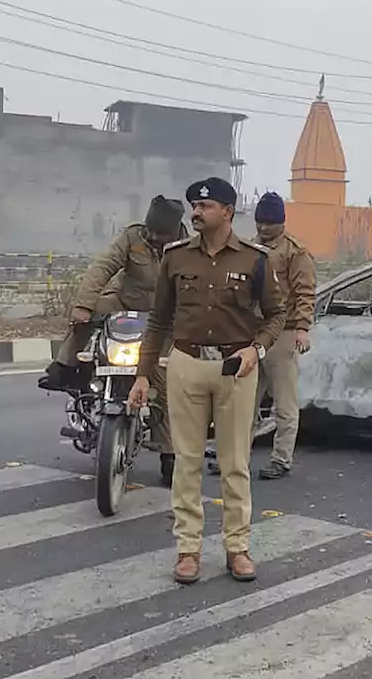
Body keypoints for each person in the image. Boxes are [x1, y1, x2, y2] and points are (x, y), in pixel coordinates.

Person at [128, 176, 285, 585]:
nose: (196, 213)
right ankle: (188, 550)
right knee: (187, 462)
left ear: (228, 212)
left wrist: (257, 349)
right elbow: (159, 319)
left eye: (206, 206)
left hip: (237, 367)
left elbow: (276, 315)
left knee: (235, 464)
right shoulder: (176, 258)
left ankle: (237, 547)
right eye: (194, 206)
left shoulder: (254, 259)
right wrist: (143, 374)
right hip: (186, 364)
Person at [38, 195, 187, 486]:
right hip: (123, 303)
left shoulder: (187, 249)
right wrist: (82, 303)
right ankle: (65, 367)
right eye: (151, 230)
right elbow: (103, 266)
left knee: (165, 384)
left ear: (174, 230)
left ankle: (169, 454)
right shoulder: (132, 237)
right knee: (87, 315)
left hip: (165, 319)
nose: (154, 237)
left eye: (161, 233)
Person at [249, 192, 315, 480]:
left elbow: (304, 292)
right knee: (243, 402)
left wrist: (302, 328)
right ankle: (235, 456)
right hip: (252, 333)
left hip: (283, 334)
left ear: (281, 222)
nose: (263, 228)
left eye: (268, 223)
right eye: (259, 222)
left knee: (284, 403)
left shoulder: (294, 252)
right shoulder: (249, 247)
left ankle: (281, 459)